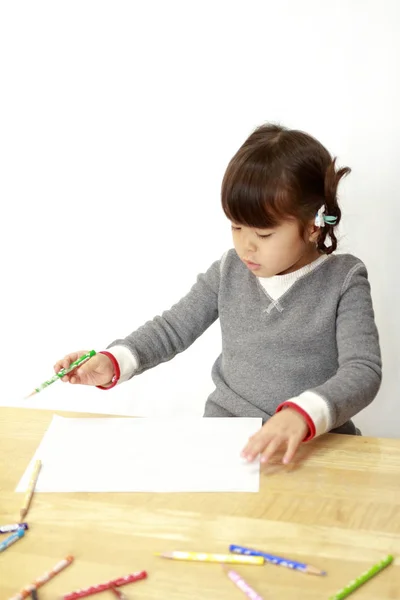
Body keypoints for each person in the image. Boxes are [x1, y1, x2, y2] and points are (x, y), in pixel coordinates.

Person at [54, 124, 382, 465]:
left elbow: (363, 370)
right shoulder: (228, 270)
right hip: (230, 440)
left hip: (317, 446)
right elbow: (172, 329)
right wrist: (112, 361)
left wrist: (302, 414)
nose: (245, 245)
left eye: (264, 233)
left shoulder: (344, 279)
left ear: (313, 225)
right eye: (236, 227)